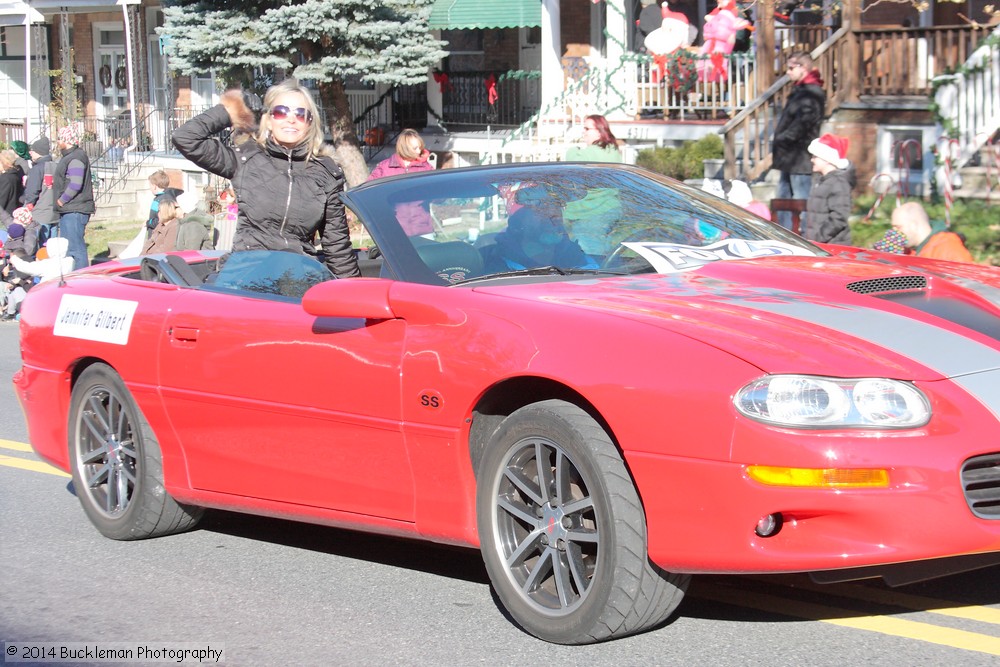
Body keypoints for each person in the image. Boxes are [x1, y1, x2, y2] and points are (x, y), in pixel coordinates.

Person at [172, 79, 360, 279]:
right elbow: (185, 138)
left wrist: (357, 300)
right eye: (281, 112)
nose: (290, 119)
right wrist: (233, 109)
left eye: (300, 114)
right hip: (246, 273)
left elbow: (337, 247)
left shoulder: (326, 172)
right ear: (269, 119)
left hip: (297, 277)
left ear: (310, 122)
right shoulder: (245, 158)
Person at [772, 51, 826, 230]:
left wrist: (783, 138)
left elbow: (804, 123)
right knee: (783, 201)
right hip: (788, 156)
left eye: (791, 68)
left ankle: (807, 234)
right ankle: (783, 233)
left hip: (800, 156)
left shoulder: (812, 92)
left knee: (802, 201)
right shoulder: (800, 89)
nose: (787, 72)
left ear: (803, 68)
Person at [482, 206, 594, 272]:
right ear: (519, 223)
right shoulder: (493, 261)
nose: (553, 219)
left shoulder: (573, 253)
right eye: (540, 212)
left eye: (556, 211)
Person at [53, 121, 96, 271]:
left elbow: (75, 184)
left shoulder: (76, 158)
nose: (57, 142)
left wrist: (62, 199)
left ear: (66, 141)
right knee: (69, 248)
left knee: (75, 249)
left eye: (59, 139)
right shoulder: (70, 156)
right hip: (70, 209)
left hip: (75, 210)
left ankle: (81, 278)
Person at [803, 133, 854, 244]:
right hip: (817, 244)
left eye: (815, 156)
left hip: (833, 246)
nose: (812, 160)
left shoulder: (838, 183)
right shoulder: (821, 181)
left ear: (827, 159)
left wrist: (818, 238)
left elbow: (839, 217)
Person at [890, 201, 975, 263]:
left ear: (914, 225)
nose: (895, 233)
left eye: (898, 227)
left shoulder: (948, 248)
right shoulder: (908, 252)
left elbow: (969, 283)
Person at [22, 136, 58, 244]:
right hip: (55, 214)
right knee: (53, 248)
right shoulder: (56, 166)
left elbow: (32, 192)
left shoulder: (37, 169)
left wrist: (27, 205)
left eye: (32, 150)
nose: (30, 153)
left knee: (42, 249)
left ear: (39, 152)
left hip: (40, 214)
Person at [367, 129, 435, 181]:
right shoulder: (384, 167)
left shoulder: (426, 167)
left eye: (420, 147)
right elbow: (369, 187)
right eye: (415, 148)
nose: (419, 151)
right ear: (405, 148)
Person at [10, 236, 74, 284]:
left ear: (52, 249)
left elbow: (27, 268)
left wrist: (14, 259)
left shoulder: (49, 264)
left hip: (46, 290)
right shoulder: (70, 261)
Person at [146, 170, 184, 239]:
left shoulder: (164, 199)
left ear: (154, 186)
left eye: (150, 185)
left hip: (159, 237)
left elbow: (163, 218)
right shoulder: (160, 198)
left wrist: (148, 223)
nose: (150, 188)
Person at [0, 149, 25, 215]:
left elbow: (2, 200)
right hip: (13, 211)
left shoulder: (6, 178)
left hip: (5, 215)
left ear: (4, 163)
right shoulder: (15, 174)